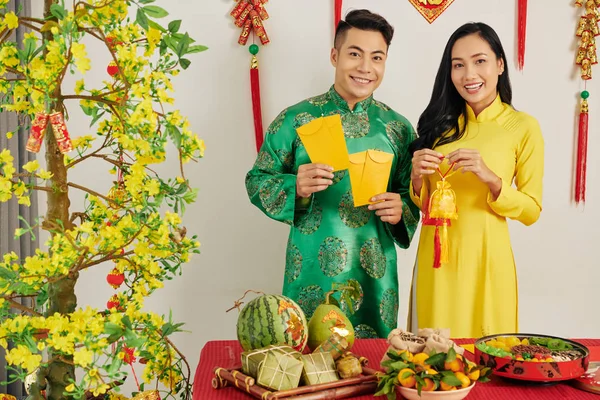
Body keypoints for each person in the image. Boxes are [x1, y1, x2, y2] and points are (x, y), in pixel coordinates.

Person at [245, 9, 420, 338]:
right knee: (308, 368)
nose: (365, 68)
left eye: (377, 57)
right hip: (310, 270)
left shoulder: (399, 128)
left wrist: (402, 211)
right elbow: (257, 180)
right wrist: (295, 185)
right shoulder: (295, 120)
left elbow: (412, 197)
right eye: (355, 54)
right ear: (335, 55)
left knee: (374, 371)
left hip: (375, 273)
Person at [408, 22, 544, 338]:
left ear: (500, 64)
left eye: (479, 61)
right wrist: (416, 179)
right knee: (433, 363)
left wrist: (492, 180)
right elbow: (423, 205)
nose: (469, 74)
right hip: (437, 261)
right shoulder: (438, 127)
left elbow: (532, 210)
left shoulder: (523, 127)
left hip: (487, 261)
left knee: (489, 358)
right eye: (458, 65)